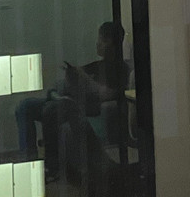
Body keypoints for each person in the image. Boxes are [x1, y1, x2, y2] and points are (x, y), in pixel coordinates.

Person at [16, 21, 129, 179]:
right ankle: (29, 161)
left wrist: (84, 79)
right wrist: (71, 77)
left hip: (82, 108)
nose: (97, 44)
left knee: (51, 110)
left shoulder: (121, 68)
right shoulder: (96, 65)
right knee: (25, 106)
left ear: (111, 42)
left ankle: (52, 166)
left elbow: (108, 94)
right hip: (69, 100)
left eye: (101, 40)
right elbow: (73, 80)